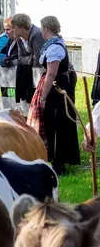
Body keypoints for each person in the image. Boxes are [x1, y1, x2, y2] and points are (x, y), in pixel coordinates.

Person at [26, 16, 80, 175]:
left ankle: (58, 163)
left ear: (47, 29)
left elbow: (51, 73)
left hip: (58, 88)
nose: (41, 30)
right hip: (58, 85)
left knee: (56, 123)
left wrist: (43, 97)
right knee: (54, 122)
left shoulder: (54, 47)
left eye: (42, 28)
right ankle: (56, 160)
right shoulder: (53, 44)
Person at [11, 13, 45, 104]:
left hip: (54, 75)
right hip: (34, 77)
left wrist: (26, 59)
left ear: (22, 28)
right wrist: (30, 58)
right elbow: (20, 58)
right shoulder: (19, 38)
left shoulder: (37, 34)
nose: (12, 30)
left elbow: (39, 61)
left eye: (14, 27)